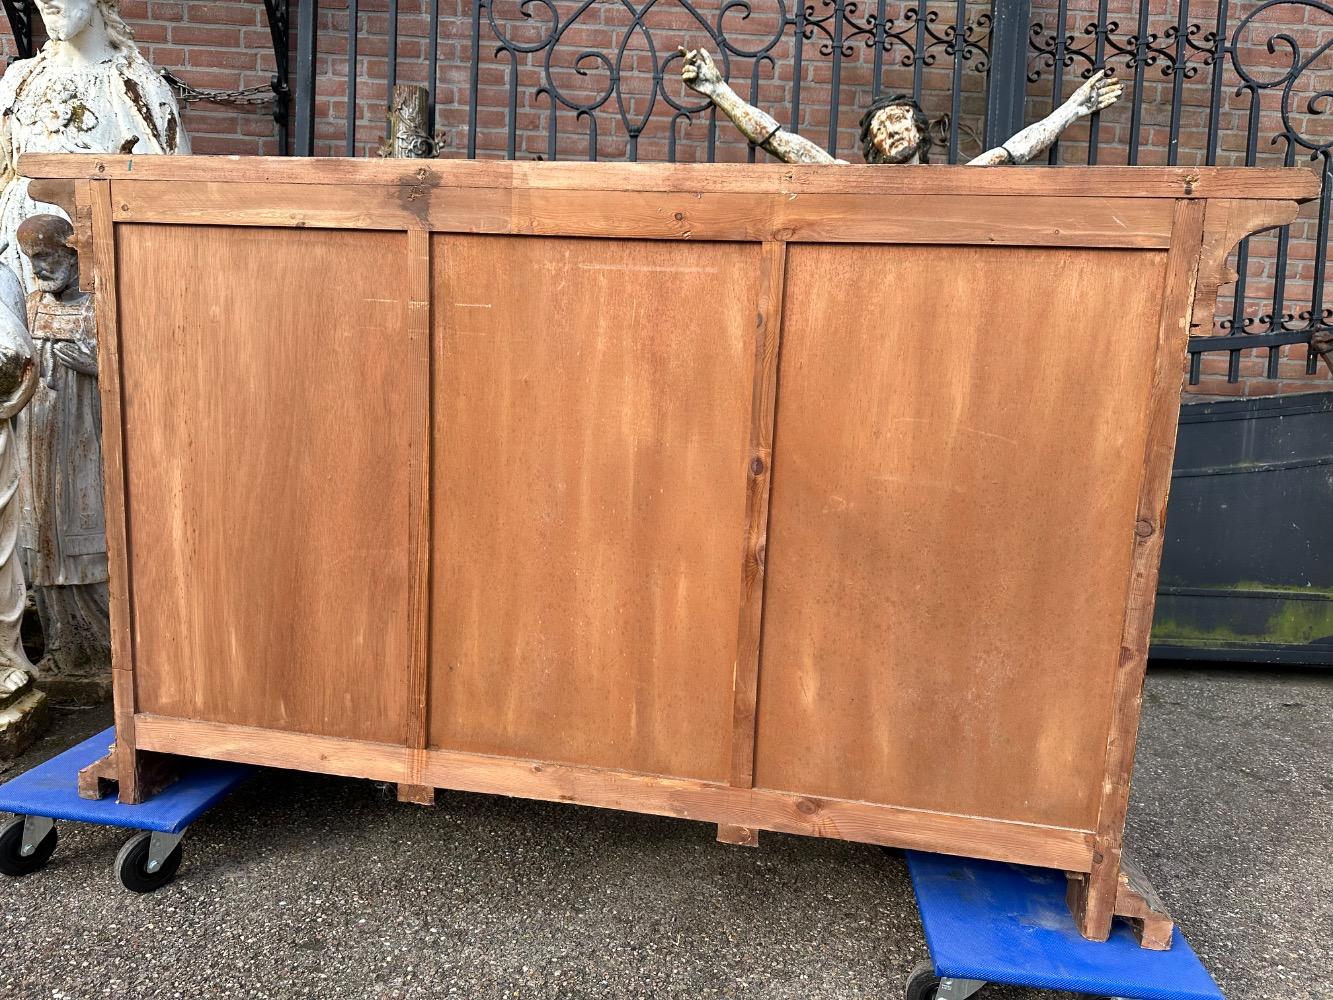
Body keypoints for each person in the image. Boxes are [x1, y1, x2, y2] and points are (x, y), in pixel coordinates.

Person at [0, 0, 188, 291]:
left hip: (97, 261)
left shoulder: (137, 87)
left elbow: (174, 203)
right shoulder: (18, 80)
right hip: (18, 253)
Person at [678, 48, 1122, 166]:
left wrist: (1071, 109)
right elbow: (779, 141)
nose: (890, 131)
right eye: (880, 129)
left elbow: (1016, 150)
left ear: (921, 131)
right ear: (870, 147)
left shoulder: (958, 185)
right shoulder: (847, 178)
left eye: (897, 120)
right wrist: (719, 90)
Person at [16, 214, 108, 698]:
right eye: (33, 261)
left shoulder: (100, 307)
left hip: (84, 443)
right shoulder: (29, 307)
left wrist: (93, 363)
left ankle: (108, 651)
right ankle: (63, 651)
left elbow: (133, 366)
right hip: (37, 438)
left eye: (48, 258)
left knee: (90, 547)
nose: (39, 271)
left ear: (73, 256)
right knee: (43, 547)